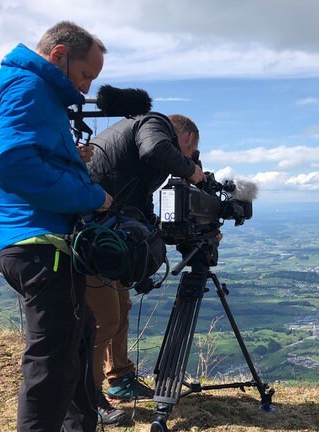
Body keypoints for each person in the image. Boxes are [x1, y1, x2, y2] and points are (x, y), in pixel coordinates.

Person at [0, 21, 112, 432]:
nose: (85, 89)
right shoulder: (28, 88)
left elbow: (23, 156)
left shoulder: (11, 84)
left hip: (23, 238)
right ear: (60, 54)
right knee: (52, 363)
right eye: (86, 75)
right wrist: (93, 197)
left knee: (78, 336)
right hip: (38, 241)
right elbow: (15, 166)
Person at [84, 113, 204, 424]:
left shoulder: (141, 157)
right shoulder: (153, 125)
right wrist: (194, 174)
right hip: (90, 233)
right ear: (185, 138)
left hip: (108, 233)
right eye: (190, 153)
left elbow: (142, 207)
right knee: (104, 319)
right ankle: (88, 398)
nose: (186, 161)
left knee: (121, 307)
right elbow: (156, 149)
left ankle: (119, 377)